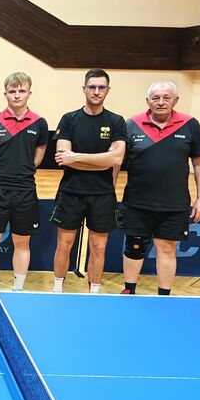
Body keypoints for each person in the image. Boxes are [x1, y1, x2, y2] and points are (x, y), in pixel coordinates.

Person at [120, 81, 200, 295]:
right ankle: (129, 291)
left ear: (175, 101)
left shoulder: (190, 124)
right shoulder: (132, 124)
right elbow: (116, 162)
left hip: (174, 204)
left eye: (166, 98)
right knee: (134, 247)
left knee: (167, 248)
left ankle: (164, 297)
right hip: (137, 201)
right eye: (156, 98)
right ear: (148, 101)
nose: (160, 102)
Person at [52, 68, 126, 293]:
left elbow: (117, 159)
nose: (96, 91)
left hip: (102, 194)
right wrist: (102, 161)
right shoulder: (69, 119)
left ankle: (94, 292)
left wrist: (76, 157)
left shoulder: (116, 121)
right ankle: (57, 290)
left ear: (108, 90)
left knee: (99, 247)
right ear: (84, 89)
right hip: (71, 192)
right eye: (92, 87)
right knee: (64, 244)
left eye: (101, 87)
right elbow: (63, 158)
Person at [0, 72, 48, 291]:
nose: (17, 95)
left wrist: (23, 172)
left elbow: (39, 154)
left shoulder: (39, 123)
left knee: (22, 242)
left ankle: (18, 288)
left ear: (29, 93)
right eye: (12, 91)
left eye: (21, 91)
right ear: (5, 94)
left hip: (25, 190)